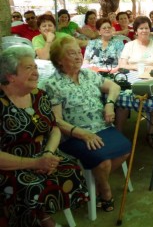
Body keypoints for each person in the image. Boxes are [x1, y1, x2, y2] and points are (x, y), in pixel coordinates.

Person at [42, 37, 131, 213]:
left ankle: (95, 185)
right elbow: (57, 121)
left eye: (78, 52)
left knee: (126, 148)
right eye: (71, 53)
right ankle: (105, 191)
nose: (78, 56)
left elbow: (114, 86)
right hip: (73, 135)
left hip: (102, 126)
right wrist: (82, 134)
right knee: (103, 162)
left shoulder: (89, 74)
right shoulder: (53, 84)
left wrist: (110, 104)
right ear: (59, 60)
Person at [0, 46, 87, 227]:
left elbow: (53, 127)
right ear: (10, 76)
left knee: (72, 169)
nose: (36, 72)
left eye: (36, 67)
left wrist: (48, 153)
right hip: (10, 164)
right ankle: (30, 219)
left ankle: (43, 215)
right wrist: (34, 163)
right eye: (28, 68)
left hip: (42, 154)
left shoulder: (39, 95)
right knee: (31, 188)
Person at [119, 16, 153, 147]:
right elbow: (122, 65)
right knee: (122, 99)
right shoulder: (129, 45)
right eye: (141, 28)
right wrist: (136, 67)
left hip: (151, 78)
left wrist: (148, 69)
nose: (144, 31)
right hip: (131, 79)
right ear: (135, 31)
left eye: (146, 28)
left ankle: (151, 133)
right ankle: (118, 134)